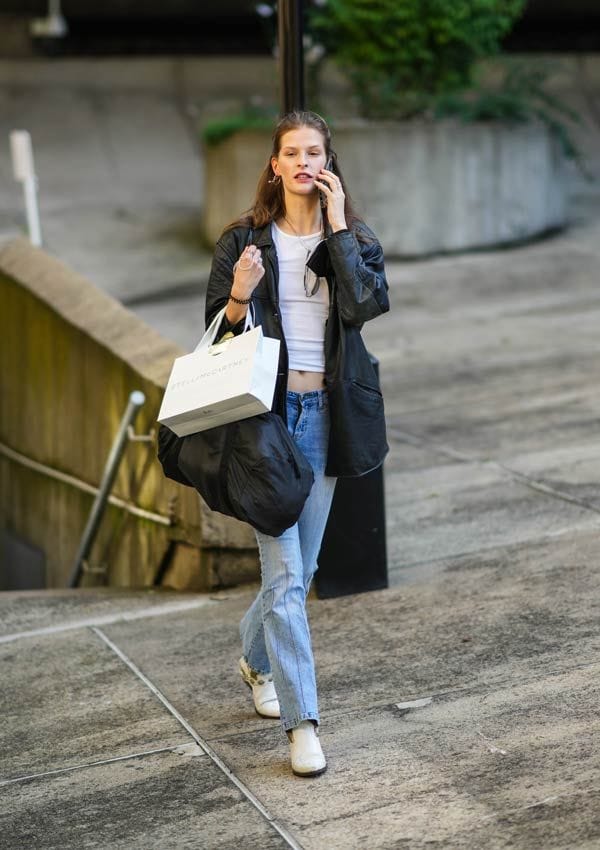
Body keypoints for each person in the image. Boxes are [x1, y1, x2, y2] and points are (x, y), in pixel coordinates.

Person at [205, 110, 389, 777]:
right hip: (267, 425)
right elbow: (216, 338)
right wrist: (237, 298)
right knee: (285, 579)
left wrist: (338, 230)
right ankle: (303, 725)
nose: (305, 162)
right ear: (275, 164)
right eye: (292, 152)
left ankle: (255, 660)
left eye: (316, 152)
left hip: (328, 418)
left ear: (329, 163)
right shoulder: (244, 241)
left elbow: (364, 309)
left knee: (299, 573)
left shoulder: (355, 237)